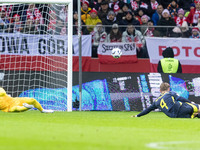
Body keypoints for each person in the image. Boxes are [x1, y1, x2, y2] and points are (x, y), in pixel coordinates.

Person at [132, 82, 200, 118]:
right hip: (182, 109)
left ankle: (196, 115)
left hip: (175, 116)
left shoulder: (156, 102)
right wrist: (191, 102)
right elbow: (180, 98)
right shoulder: (170, 93)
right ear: (168, 89)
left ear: (160, 90)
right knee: (197, 107)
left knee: (195, 115)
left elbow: (148, 110)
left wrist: (137, 115)